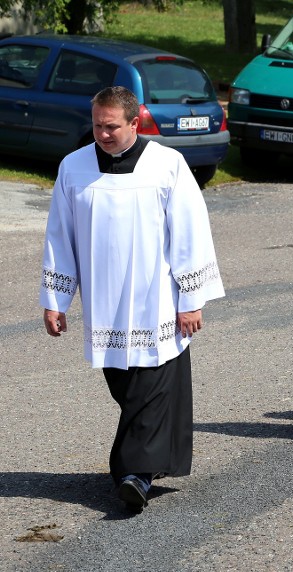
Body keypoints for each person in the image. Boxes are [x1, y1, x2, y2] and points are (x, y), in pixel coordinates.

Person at [40, 86, 225, 512]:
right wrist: (56, 299)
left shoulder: (167, 165)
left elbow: (190, 233)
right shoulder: (73, 167)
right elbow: (59, 239)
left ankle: (133, 474)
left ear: (134, 123)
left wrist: (191, 298)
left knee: (152, 387)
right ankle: (147, 462)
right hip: (105, 305)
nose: (102, 134)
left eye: (111, 127)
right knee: (126, 386)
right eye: (96, 125)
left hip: (156, 298)